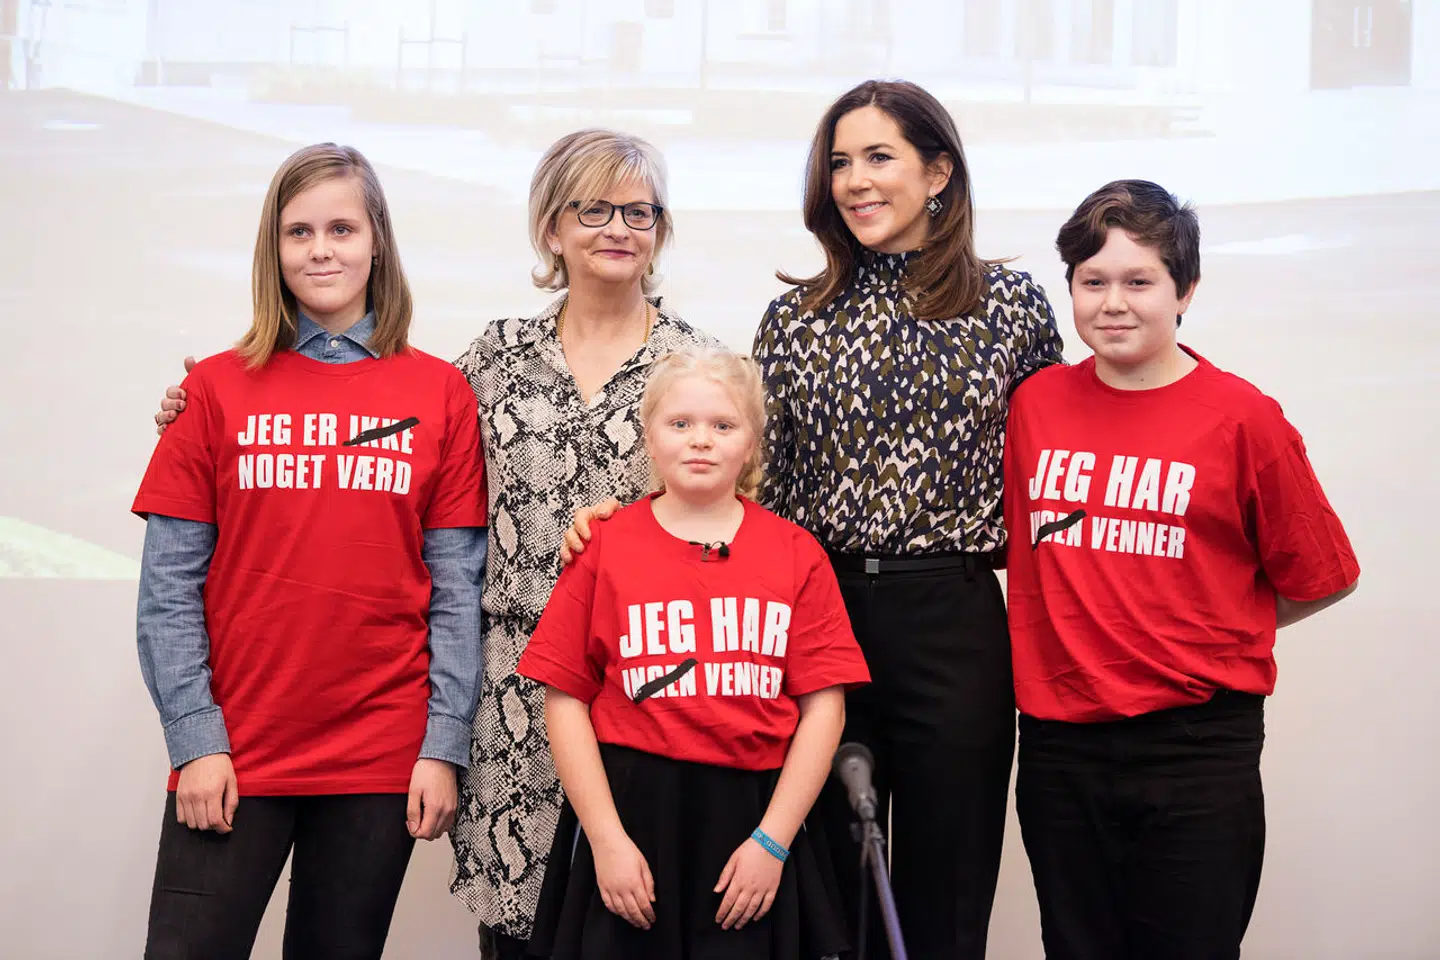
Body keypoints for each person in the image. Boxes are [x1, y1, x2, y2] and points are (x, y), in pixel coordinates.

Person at [152, 129, 720, 958]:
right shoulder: (487, 363)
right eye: (592, 208)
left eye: (638, 211)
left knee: (644, 930)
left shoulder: (698, 369)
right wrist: (189, 407)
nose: (616, 228)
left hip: (646, 701)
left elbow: (734, 525)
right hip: (509, 710)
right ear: (550, 227)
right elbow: (385, 448)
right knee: (516, 938)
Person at [564, 79, 1064, 960]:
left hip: (952, 620)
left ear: (939, 170)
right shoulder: (795, 318)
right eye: (840, 162)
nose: (855, 181)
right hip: (813, 614)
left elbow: (1054, 457)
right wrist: (639, 519)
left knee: (947, 887)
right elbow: (749, 481)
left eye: (880, 157)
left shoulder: (1012, 307)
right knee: (824, 883)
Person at [133, 142, 488, 960]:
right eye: (298, 232)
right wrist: (196, 740)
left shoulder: (439, 392)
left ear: (376, 242)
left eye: (340, 228)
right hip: (235, 754)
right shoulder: (213, 390)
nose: (321, 249)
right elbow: (167, 591)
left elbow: (456, 589)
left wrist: (443, 744)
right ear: (274, 249)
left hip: (380, 757)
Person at [1003, 179, 1360, 960]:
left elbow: (1325, 574)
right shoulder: (1033, 406)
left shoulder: (1242, 416)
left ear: (1185, 290)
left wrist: (1210, 623)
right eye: (1092, 282)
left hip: (1197, 748)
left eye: (1139, 281)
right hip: (1062, 748)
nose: (1114, 303)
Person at [518, 347, 869, 959]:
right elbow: (565, 699)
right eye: (680, 424)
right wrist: (606, 841)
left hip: (752, 819)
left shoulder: (795, 553)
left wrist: (774, 842)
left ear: (753, 442)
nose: (700, 441)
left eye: (723, 425)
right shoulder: (604, 547)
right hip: (631, 817)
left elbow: (824, 709)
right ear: (648, 436)